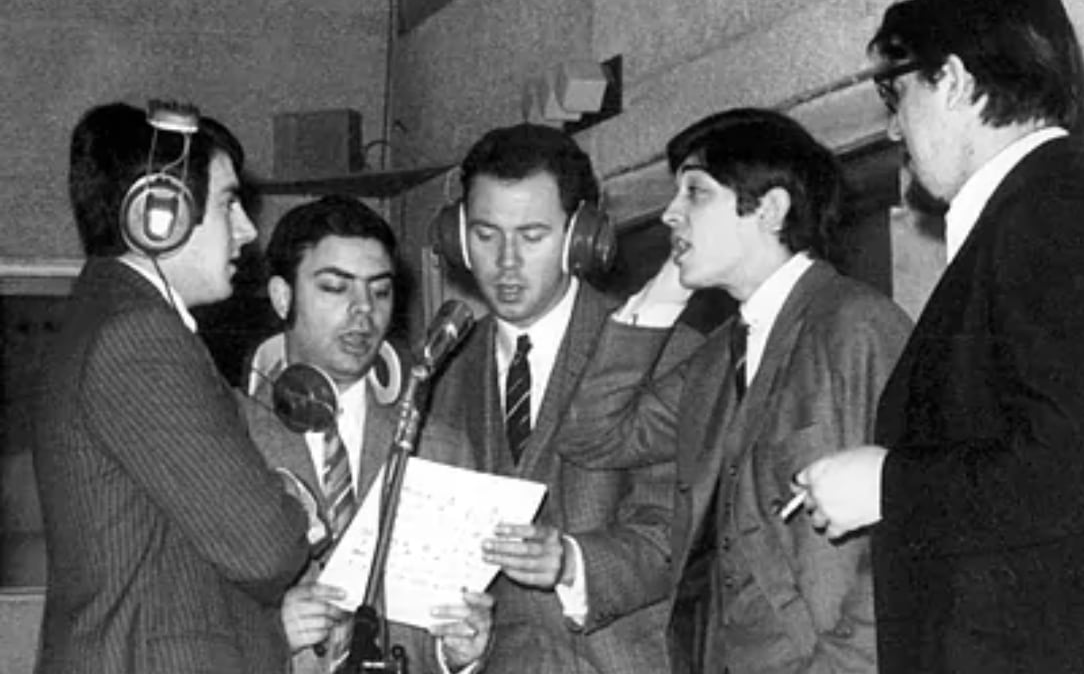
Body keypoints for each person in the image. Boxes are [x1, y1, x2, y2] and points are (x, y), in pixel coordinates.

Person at [795, 0, 1084, 673]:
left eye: (896, 92)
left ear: (950, 79)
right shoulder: (1053, 211)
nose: (891, 127)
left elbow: (1075, 468)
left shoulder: (1049, 219)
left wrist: (886, 485)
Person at [559, 107, 914, 673]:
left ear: (770, 209)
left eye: (695, 194)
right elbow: (593, 437)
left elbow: (905, 544)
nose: (670, 216)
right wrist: (660, 301)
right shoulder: (719, 357)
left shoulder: (857, 327)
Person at [32, 100, 310, 674]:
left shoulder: (109, 316)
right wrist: (293, 503)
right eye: (229, 203)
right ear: (158, 215)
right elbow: (266, 550)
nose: (248, 230)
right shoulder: (140, 336)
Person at [419, 123, 676, 673]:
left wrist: (572, 561)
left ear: (582, 236)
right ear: (458, 238)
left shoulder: (657, 351)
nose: (506, 262)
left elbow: (676, 530)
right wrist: (453, 655)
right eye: (486, 235)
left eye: (532, 236)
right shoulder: (441, 372)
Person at [241, 194, 494, 673]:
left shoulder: (439, 447)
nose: (363, 311)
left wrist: (459, 655)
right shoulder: (228, 440)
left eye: (380, 292)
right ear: (282, 297)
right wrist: (265, 632)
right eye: (336, 288)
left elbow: (445, 625)